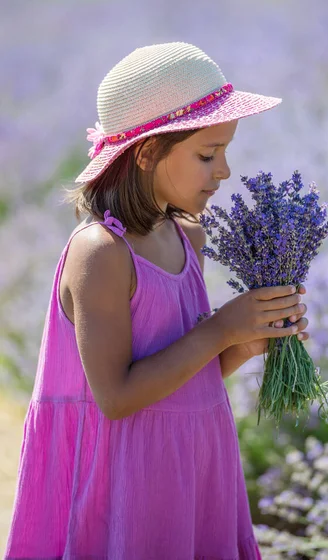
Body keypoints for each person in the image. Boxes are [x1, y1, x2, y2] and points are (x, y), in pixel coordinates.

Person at [5, 41, 309, 559]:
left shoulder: (188, 236)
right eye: (207, 155)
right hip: (124, 477)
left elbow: (183, 373)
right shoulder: (101, 252)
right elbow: (118, 397)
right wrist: (221, 330)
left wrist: (250, 339)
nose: (225, 171)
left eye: (225, 152)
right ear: (147, 153)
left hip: (192, 462)